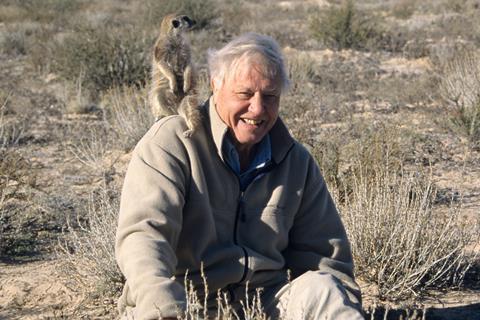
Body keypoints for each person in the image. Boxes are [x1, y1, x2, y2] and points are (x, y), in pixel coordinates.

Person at [115, 33, 364, 320]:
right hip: (189, 304)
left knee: (323, 291)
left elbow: (328, 261)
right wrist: (163, 307)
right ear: (215, 85)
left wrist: (343, 305)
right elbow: (144, 239)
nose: (257, 109)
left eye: (269, 96)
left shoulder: (296, 161)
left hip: (264, 305)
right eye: (245, 94)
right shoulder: (172, 143)